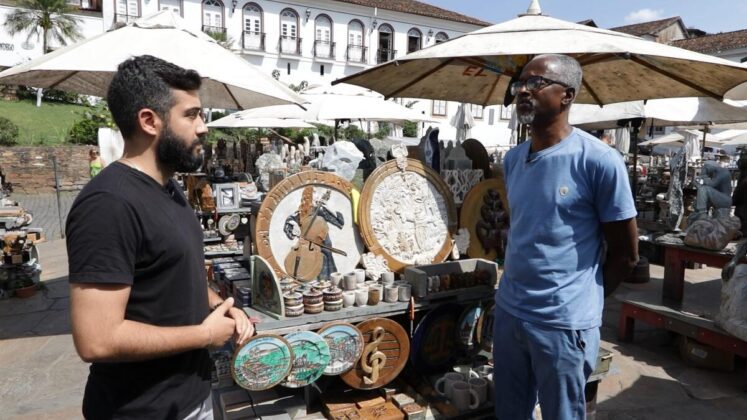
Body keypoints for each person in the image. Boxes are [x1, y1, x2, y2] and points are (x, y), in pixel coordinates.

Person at [66, 55, 255, 419]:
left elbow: (176, 273)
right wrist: (204, 335)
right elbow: (97, 339)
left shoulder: (168, 188)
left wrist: (222, 306)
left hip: (191, 397)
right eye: (191, 115)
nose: (203, 127)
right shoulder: (109, 204)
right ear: (149, 121)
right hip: (141, 410)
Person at [494, 54, 638, 419]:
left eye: (536, 82)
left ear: (567, 96)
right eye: (520, 83)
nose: (523, 90)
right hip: (510, 312)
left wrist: (579, 301)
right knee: (509, 412)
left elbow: (626, 255)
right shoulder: (513, 160)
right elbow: (527, 227)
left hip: (562, 324)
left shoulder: (599, 160)